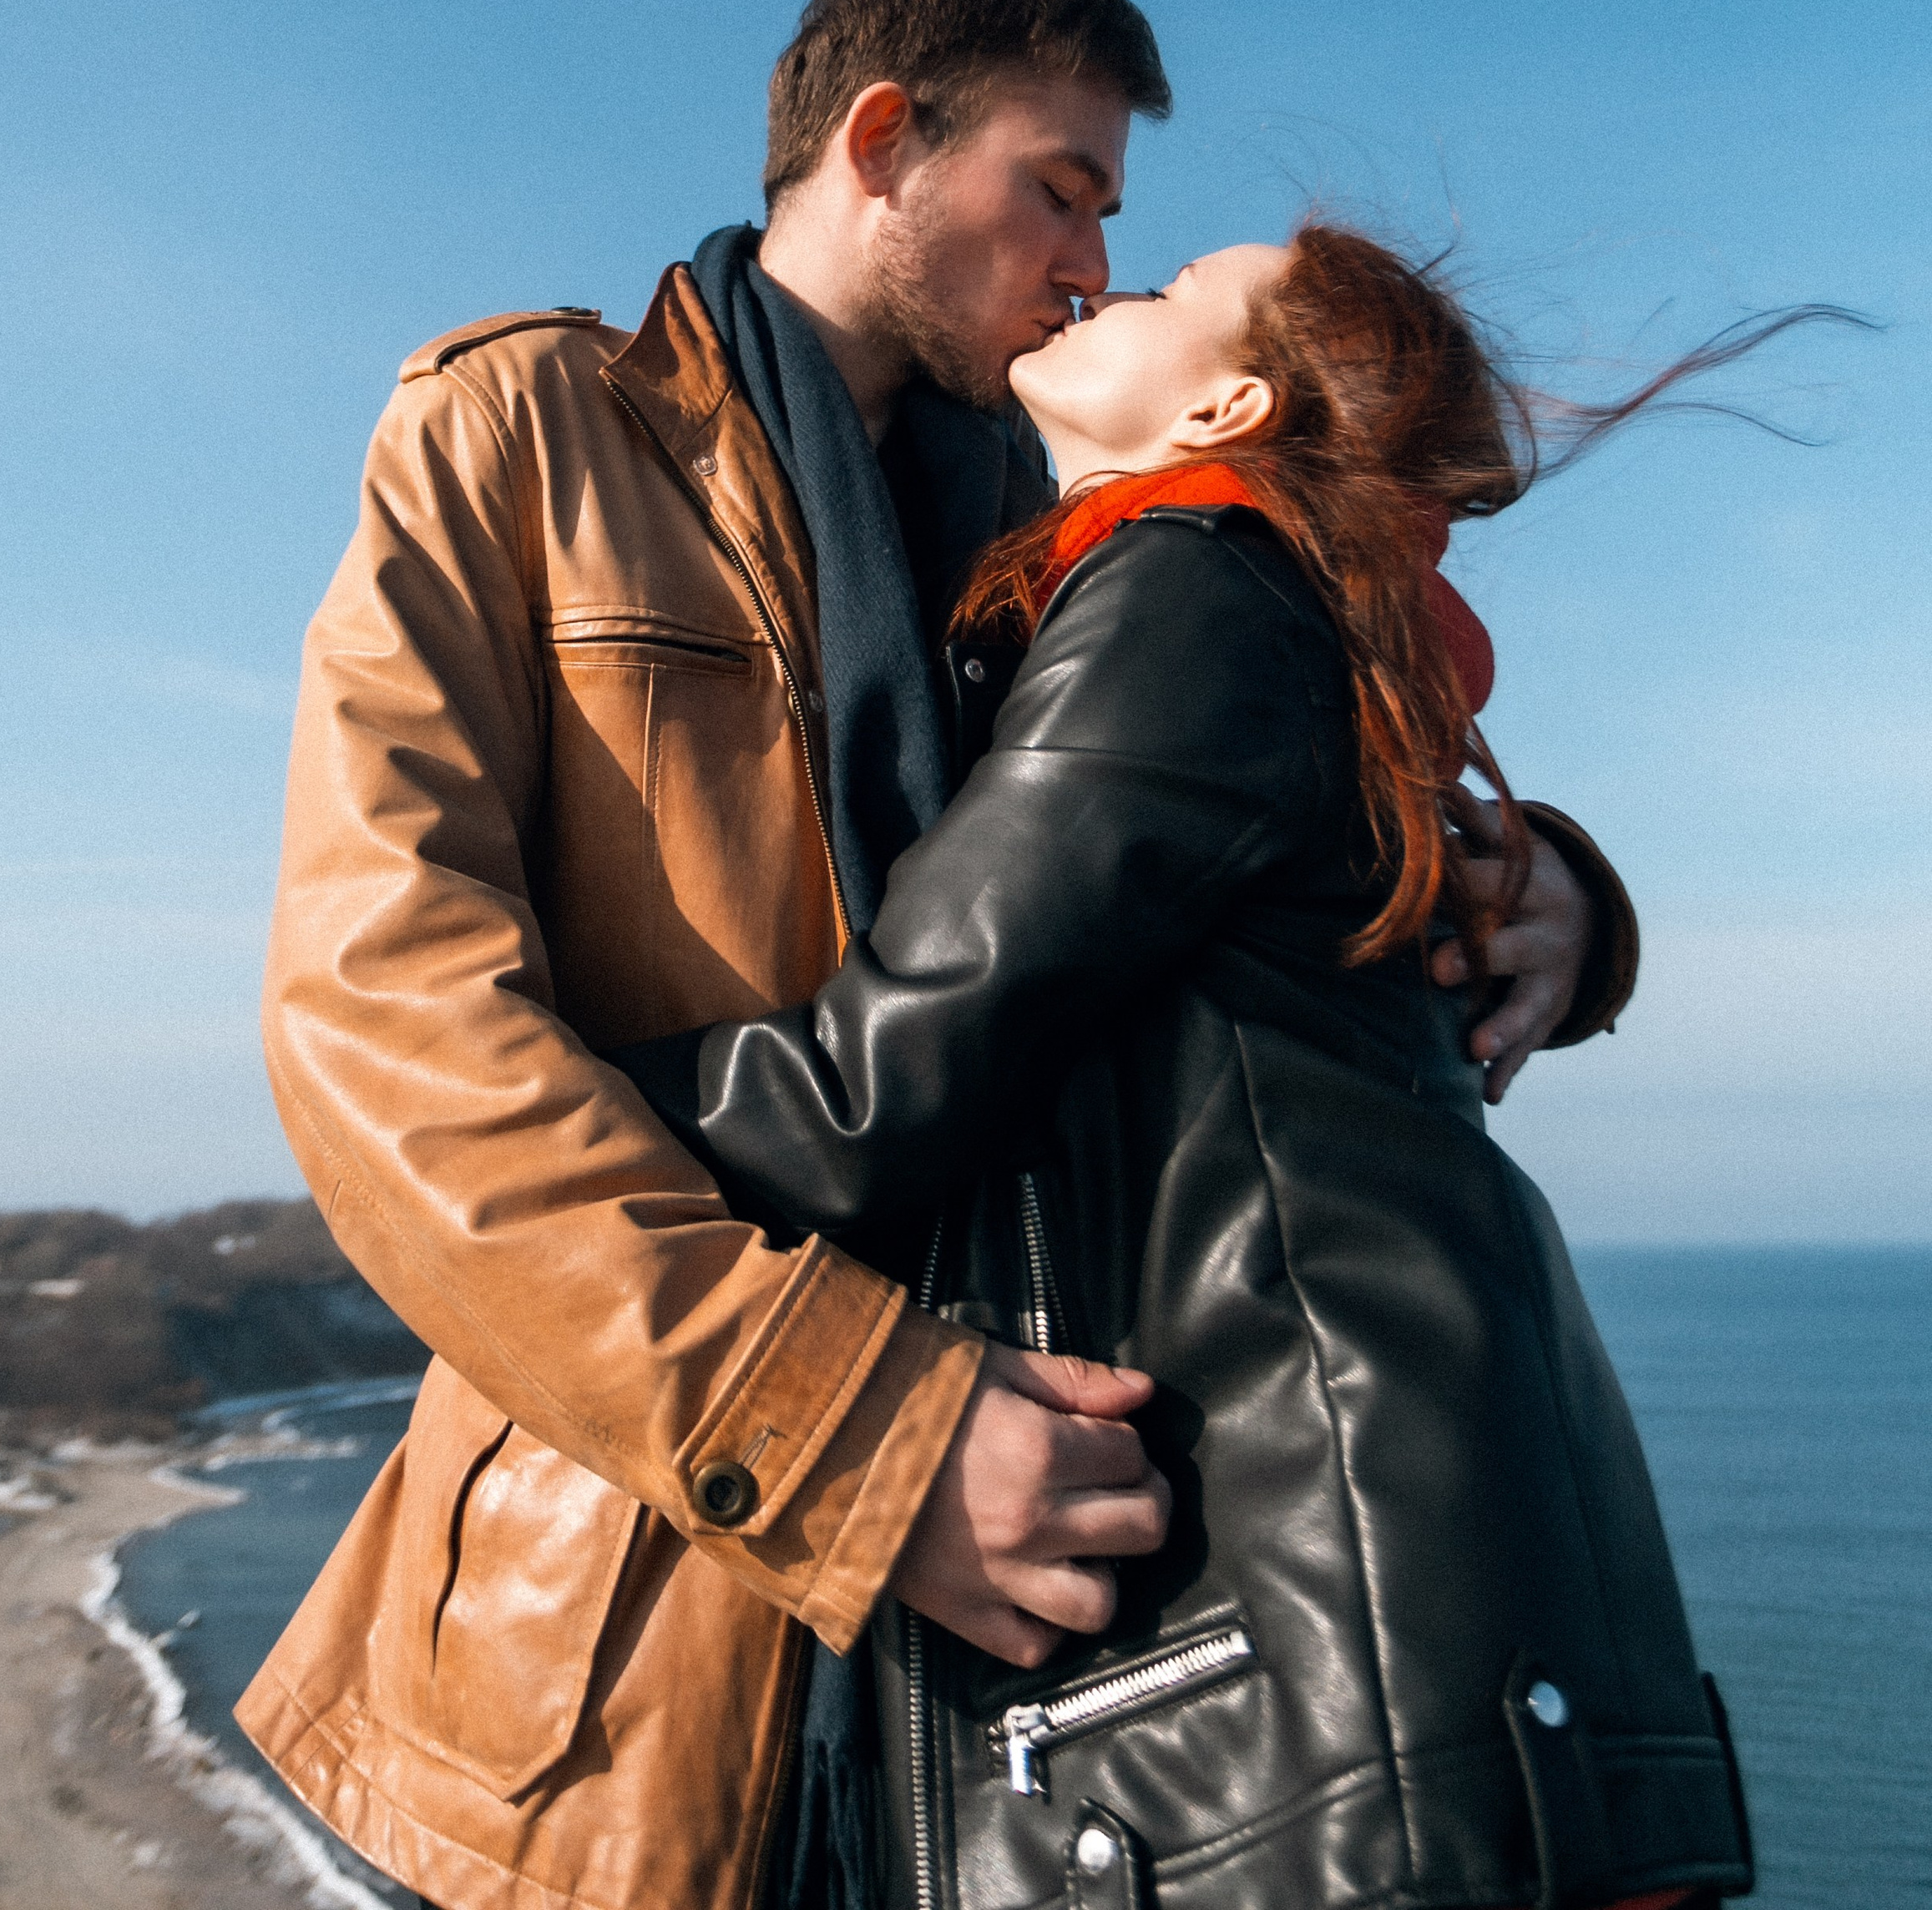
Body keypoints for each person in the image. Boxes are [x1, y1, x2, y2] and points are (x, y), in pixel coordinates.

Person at [237, 0, 1636, 1910]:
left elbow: (1260, 814)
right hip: (635, 1633)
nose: (1088, 262)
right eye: (1056, 191)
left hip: (1066, 1671)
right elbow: (380, 1025)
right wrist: (849, 1443)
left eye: (1111, 221)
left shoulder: (1087, 511)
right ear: (884, 142)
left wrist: (1564, 889)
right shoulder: (520, 435)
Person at [624, 228, 1783, 1910]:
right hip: (1414, 1592)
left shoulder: (1194, 575)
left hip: (1331, 1629)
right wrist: (1578, 905)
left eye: (1163, 288)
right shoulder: (1267, 605)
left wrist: (510, 1102)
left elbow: (875, 1084)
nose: (1105, 282)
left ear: (1225, 401)